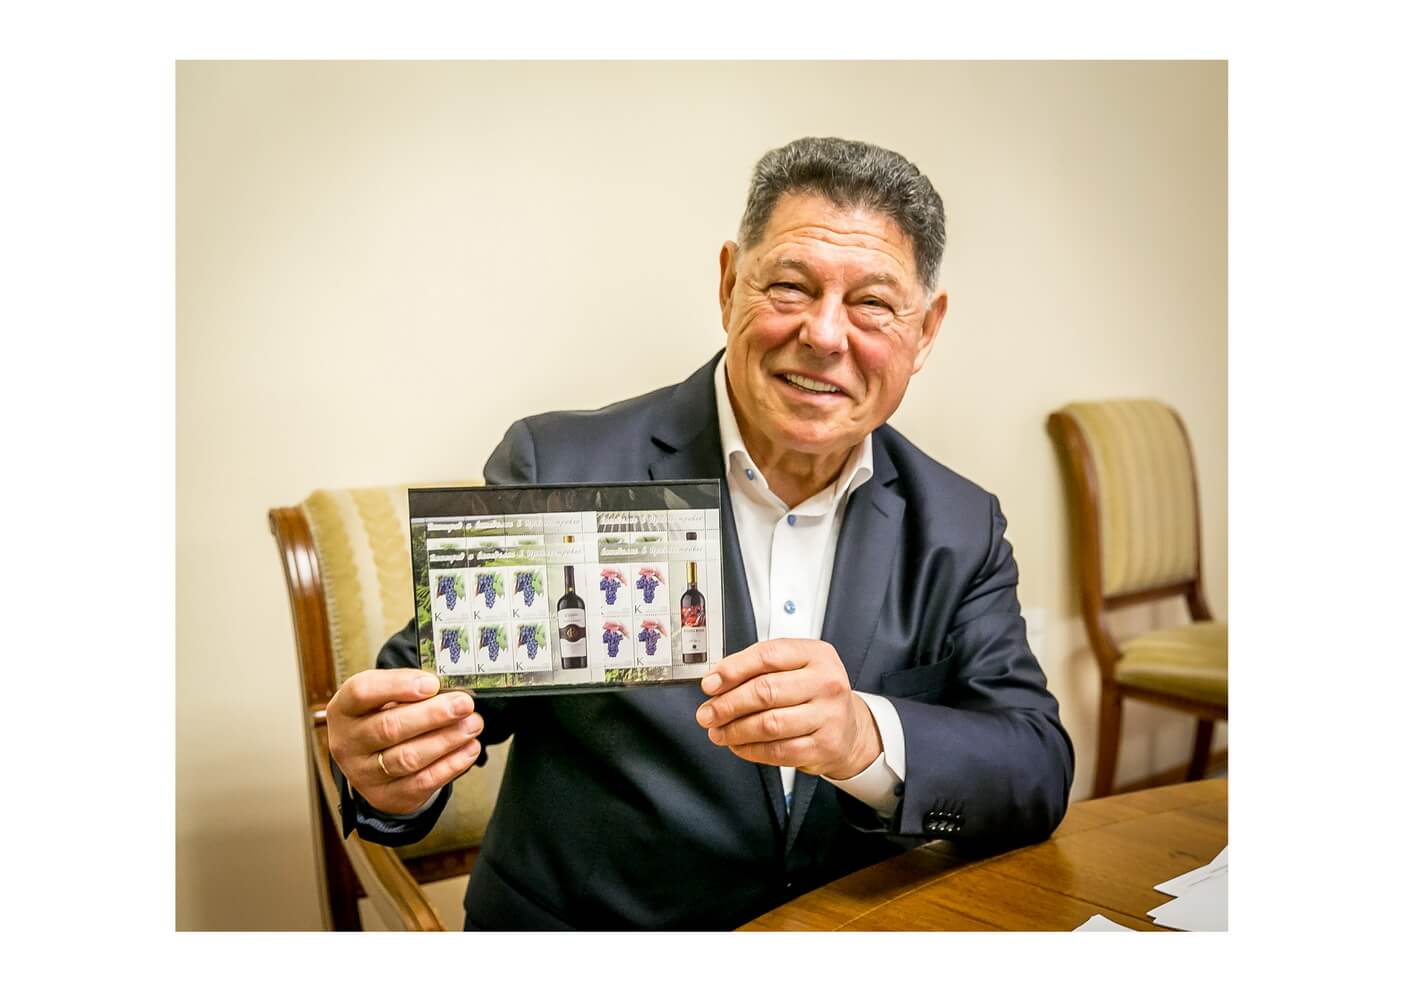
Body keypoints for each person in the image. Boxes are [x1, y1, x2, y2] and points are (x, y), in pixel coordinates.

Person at [327, 136, 1074, 930]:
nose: (825, 335)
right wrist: (387, 770)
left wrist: (865, 737)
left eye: (872, 304)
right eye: (789, 286)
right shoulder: (563, 468)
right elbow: (427, 714)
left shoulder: (957, 523)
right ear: (728, 283)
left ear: (925, 331)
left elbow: (1032, 764)